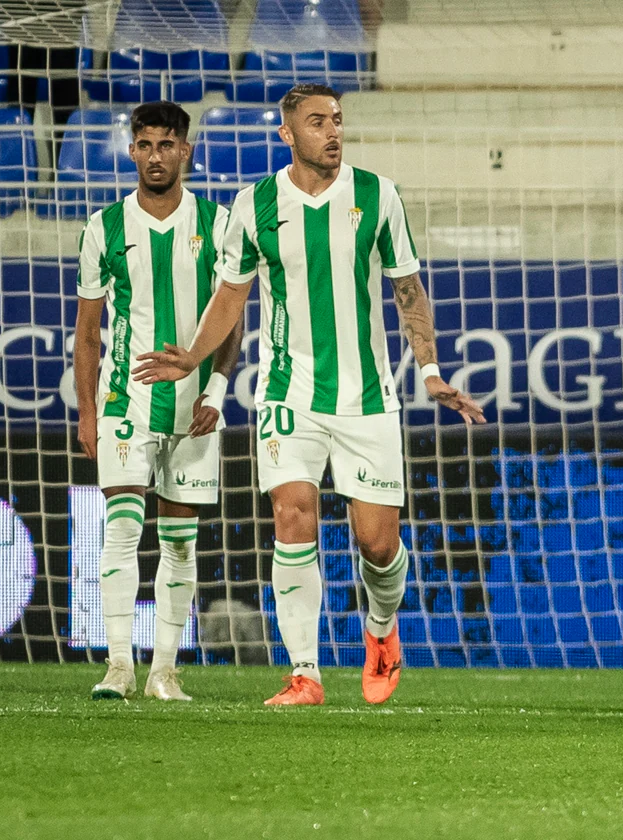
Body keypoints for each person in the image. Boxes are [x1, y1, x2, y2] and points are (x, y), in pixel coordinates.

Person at [133, 83, 485, 706]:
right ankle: (305, 674)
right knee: (293, 518)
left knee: (378, 545)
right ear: (288, 134)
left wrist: (429, 370)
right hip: (286, 393)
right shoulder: (255, 204)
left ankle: (381, 630)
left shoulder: (378, 195)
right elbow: (231, 296)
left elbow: (409, 289)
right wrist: (192, 353)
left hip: (367, 398)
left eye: (338, 120)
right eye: (318, 122)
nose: (333, 131)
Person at [74, 100, 242, 701]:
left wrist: (218, 390)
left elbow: (232, 320)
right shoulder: (105, 227)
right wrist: (89, 412)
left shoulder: (220, 224)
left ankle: (164, 672)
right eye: (144, 145)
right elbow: (88, 331)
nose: (154, 156)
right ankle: (119, 666)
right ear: (131, 152)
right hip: (127, 400)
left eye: (165, 145)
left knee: (180, 542)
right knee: (121, 528)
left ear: (185, 150)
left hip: (195, 408)